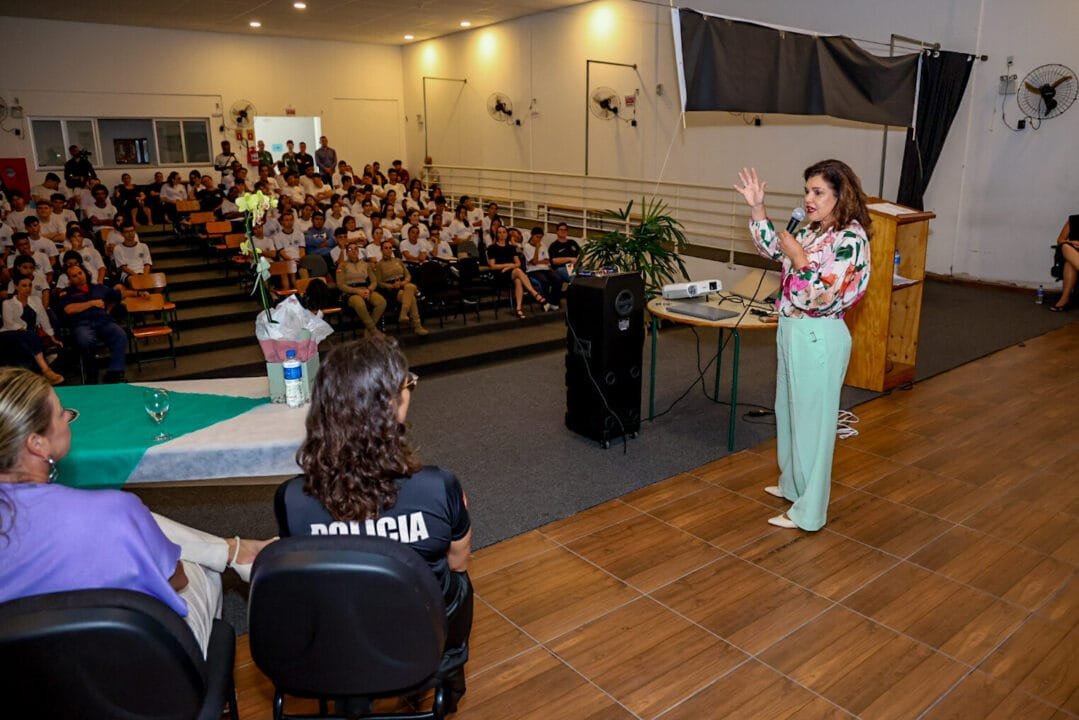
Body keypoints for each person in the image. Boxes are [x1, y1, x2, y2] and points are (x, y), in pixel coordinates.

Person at [0, 367, 274, 656]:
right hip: (129, 666)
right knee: (202, 570)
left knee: (145, 523)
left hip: (25, 674)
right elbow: (176, 580)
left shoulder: (103, 512)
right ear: (37, 443)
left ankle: (232, 550)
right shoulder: (111, 511)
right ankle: (228, 560)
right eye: (61, 413)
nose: (69, 417)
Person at [276, 336, 471, 709]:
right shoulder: (438, 486)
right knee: (457, 582)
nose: (411, 391)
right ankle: (440, 679)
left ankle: (352, 698)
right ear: (391, 407)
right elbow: (458, 562)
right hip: (417, 633)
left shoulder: (292, 499)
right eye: (407, 385)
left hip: (335, 638)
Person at [735, 161, 871, 531]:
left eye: (818, 192)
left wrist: (798, 258)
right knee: (792, 413)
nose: (808, 199)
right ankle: (793, 485)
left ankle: (809, 511)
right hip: (793, 329)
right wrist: (757, 207)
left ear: (841, 196)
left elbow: (824, 294)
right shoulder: (815, 229)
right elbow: (774, 250)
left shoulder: (851, 239)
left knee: (814, 425)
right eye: (807, 191)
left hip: (818, 334)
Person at [54, 263, 130, 383]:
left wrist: (138, 293)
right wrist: (92, 303)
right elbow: (69, 309)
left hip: (103, 321)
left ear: (85, 273)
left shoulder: (98, 288)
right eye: (74, 276)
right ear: (69, 279)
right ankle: (92, 372)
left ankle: (114, 373)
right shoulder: (66, 292)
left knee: (120, 335)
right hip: (82, 324)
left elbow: (117, 295)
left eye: (80, 273)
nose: (79, 276)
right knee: (85, 339)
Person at [1, 275, 64, 384]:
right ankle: (46, 370)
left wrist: (52, 337)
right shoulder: (7, 303)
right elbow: (9, 324)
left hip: (29, 337)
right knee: (30, 335)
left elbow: (44, 319)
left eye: (30, 285)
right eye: (24, 286)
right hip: (8, 335)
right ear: (16, 286)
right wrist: (26, 331)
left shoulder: (36, 300)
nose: (28, 288)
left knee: (33, 339)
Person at [487, 225, 547, 319]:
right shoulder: (492, 248)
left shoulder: (511, 248)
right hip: (500, 274)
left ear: (507, 234)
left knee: (518, 278)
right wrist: (508, 265)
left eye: (504, 232)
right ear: (496, 234)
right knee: (518, 272)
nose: (502, 234)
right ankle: (534, 293)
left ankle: (519, 308)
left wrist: (510, 266)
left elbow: (518, 263)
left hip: (512, 273)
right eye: (500, 232)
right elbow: (493, 266)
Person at [374, 240, 428, 336]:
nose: (389, 250)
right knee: (412, 297)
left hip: (403, 284)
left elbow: (408, 275)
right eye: (386, 248)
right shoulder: (379, 265)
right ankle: (417, 326)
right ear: (381, 250)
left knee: (410, 286)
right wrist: (392, 286)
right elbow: (379, 283)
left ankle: (403, 314)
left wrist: (403, 282)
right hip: (391, 288)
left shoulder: (398, 260)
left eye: (390, 248)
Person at [336, 240, 386, 336]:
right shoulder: (342, 265)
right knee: (360, 304)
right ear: (347, 252)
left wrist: (369, 289)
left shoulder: (365, 264)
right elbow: (341, 285)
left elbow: (374, 281)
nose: (354, 251)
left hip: (365, 289)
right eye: (350, 249)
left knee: (381, 302)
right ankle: (373, 330)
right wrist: (357, 291)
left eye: (356, 249)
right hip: (351, 291)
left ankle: (368, 330)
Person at [1051, 215, 1079, 312]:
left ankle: (1064, 299)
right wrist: (1072, 242)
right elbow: (1060, 240)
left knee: (1070, 263)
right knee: (1066, 247)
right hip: (1074, 252)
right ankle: (1065, 299)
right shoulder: (1074, 220)